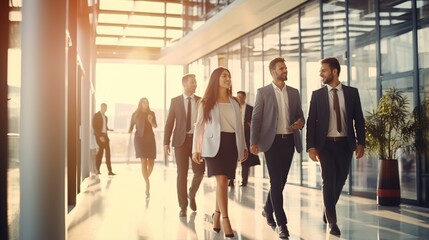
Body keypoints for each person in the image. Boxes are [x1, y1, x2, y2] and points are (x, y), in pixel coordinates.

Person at [306, 57, 365, 236]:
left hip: (345, 145)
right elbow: (311, 123)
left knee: (341, 179)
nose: (320, 74)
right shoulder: (317, 95)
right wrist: (311, 147)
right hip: (325, 146)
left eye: (323, 70)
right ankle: (332, 221)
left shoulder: (352, 93)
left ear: (334, 71)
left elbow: (359, 120)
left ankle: (328, 207)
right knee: (328, 180)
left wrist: (361, 143)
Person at [250, 57, 305, 239]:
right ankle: (281, 224)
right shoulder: (263, 92)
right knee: (275, 180)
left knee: (281, 181)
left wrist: (299, 123)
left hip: (289, 141)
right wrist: (253, 142)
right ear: (273, 71)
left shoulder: (294, 92)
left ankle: (267, 208)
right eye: (282, 68)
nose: (285, 71)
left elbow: (300, 117)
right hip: (271, 142)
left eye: (286, 68)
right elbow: (256, 118)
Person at [192, 67, 248, 238]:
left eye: (229, 76)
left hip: (231, 144)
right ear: (216, 79)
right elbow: (199, 126)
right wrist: (196, 148)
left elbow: (240, 127)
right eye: (224, 76)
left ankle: (216, 214)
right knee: (222, 181)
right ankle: (225, 219)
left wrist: (243, 146)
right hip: (213, 145)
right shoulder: (206, 101)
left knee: (223, 182)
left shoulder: (235, 102)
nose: (228, 78)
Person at [164, 73, 205, 217]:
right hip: (180, 141)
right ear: (185, 84)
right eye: (192, 82)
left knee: (199, 171)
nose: (195, 84)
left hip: (197, 141)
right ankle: (183, 206)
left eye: (195, 82)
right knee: (181, 174)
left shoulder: (201, 101)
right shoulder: (175, 101)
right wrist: (166, 142)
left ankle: (191, 193)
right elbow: (169, 122)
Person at [129, 97, 158, 199]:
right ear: (140, 104)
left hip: (150, 139)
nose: (145, 104)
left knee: (151, 163)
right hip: (139, 140)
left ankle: (146, 179)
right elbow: (131, 127)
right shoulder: (135, 114)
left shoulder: (152, 113)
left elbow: (155, 126)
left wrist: (150, 121)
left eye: (146, 102)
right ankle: (147, 184)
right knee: (143, 162)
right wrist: (130, 130)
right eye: (143, 102)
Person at [237, 91, 260, 187]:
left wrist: (251, 127)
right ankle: (231, 180)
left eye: (240, 97)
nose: (239, 99)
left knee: (245, 160)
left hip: (247, 136)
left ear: (244, 97)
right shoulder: (234, 108)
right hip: (236, 136)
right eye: (237, 97)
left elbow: (256, 122)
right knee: (234, 158)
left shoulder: (251, 109)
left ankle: (244, 180)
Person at [93, 103, 116, 176]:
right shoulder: (96, 115)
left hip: (105, 136)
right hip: (99, 136)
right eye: (104, 108)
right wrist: (100, 136)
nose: (105, 109)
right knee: (100, 152)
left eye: (106, 108)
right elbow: (95, 127)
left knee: (108, 153)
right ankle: (97, 169)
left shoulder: (105, 117)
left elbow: (104, 126)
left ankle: (110, 171)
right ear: (101, 107)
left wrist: (109, 129)